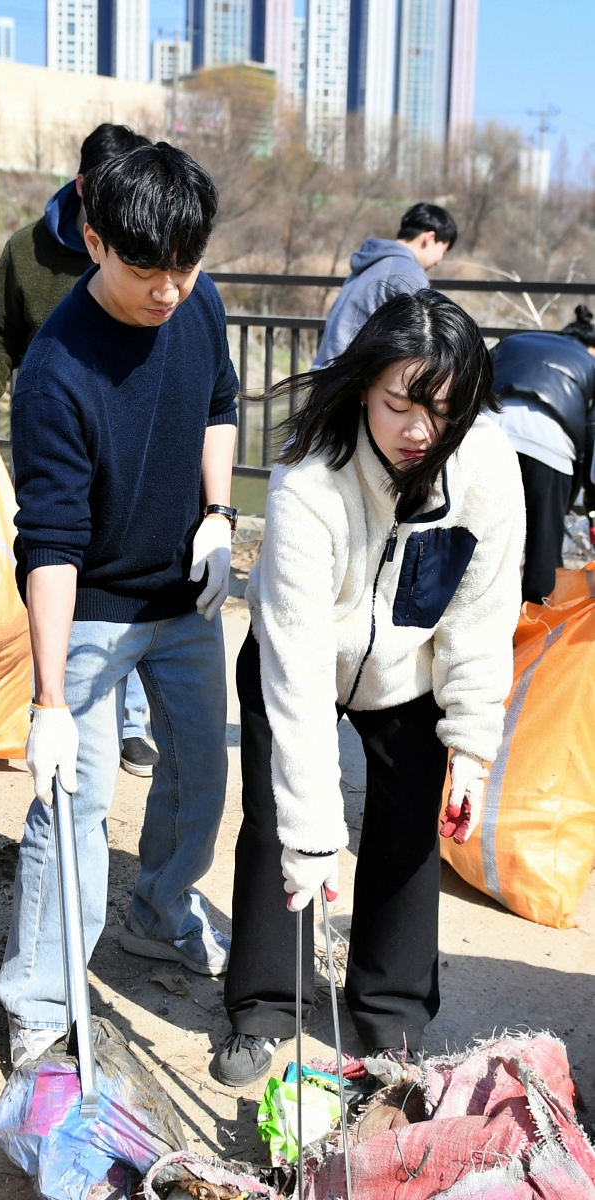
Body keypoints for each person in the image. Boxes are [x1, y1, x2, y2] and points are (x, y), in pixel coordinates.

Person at [216, 290, 523, 1085]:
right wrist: (314, 835)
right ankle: (262, 1004)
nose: (421, 430)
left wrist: (471, 747)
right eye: (401, 404)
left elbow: (482, 618)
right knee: (277, 822)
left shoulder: (486, 464)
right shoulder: (307, 479)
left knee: (408, 831)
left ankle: (389, 1012)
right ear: (363, 387)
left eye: (444, 411)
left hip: (410, 671)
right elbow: (301, 667)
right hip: (302, 657)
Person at [0, 141, 238, 1068]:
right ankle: (40, 998)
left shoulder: (198, 298)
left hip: (184, 592)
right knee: (73, 800)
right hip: (93, 605)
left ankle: (159, 912)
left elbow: (220, 402)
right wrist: (49, 700)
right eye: (147, 268)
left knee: (198, 776)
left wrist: (218, 515)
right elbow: (50, 541)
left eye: (186, 263)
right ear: (93, 241)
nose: (170, 289)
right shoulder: (58, 368)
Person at [0, 121, 159, 778]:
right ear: (83, 190)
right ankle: (59, 705)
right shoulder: (26, 252)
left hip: (130, 442)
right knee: (59, 570)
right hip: (56, 440)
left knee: (129, 577)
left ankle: (132, 721)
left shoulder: (147, 245)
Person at [485, 307, 595, 603]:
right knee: (543, 549)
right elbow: (591, 438)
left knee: (479, 533)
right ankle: (537, 625)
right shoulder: (589, 362)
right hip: (549, 446)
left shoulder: (518, 341)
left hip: (486, 433)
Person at [314, 202, 457, 368]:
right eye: (443, 251)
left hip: (326, 369)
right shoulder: (407, 271)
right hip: (348, 378)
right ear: (429, 238)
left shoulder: (373, 262)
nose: (439, 261)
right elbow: (423, 337)